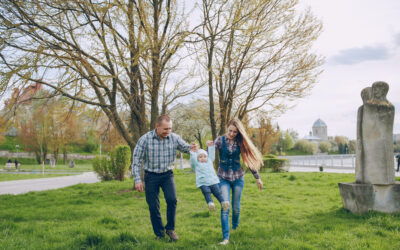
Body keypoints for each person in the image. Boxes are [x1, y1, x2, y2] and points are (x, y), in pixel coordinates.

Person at [131, 114, 196, 241]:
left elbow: (186, 148)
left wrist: (193, 148)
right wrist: (138, 179)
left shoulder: (174, 138)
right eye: (165, 129)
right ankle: (159, 234)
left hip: (167, 175)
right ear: (157, 126)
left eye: (170, 128)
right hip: (151, 176)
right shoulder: (145, 139)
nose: (168, 131)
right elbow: (136, 160)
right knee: (153, 206)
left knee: (172, 200)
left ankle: (170, 229)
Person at [215, 118, 264, 245]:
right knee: (225, 206)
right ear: (227, 128)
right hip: (223, 178)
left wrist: (257, 178)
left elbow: (248, 161)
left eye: (235, 132)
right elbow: (208, 155)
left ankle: (235, 227)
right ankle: (226, 238)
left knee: (236, 208)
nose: (231, 134)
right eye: (230, 131)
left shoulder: (241, 142)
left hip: (238, 178)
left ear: (238, 133)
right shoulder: (220, 141)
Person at [190, 141, 230, 212]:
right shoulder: (196, 164)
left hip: (213, 181)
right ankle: (210, 204)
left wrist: (211, 147)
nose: (203, 158)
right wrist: (193, 152)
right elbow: (193, 160)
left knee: (218, 192)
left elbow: (211, 155)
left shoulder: (209, 161)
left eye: (205, 156)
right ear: (197, 158)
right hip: (203, 182)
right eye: (200, 157)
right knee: (206, 192)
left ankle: (223, 203)